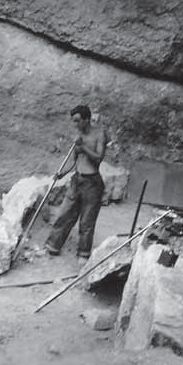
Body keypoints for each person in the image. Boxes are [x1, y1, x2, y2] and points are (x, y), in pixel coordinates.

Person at [44, 105, 107, 261]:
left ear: (86, 119)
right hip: (76, 180)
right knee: (64, 214)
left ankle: (83, 254)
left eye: (78, 121)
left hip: (92, 183)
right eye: (73, 121)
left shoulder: (99, 135)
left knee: (87, 221)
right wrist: (62, 173)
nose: (75, 124)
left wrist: (83, 146)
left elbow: (99, 158)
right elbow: (74, 161)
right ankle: (53, 246)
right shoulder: (79, 136)